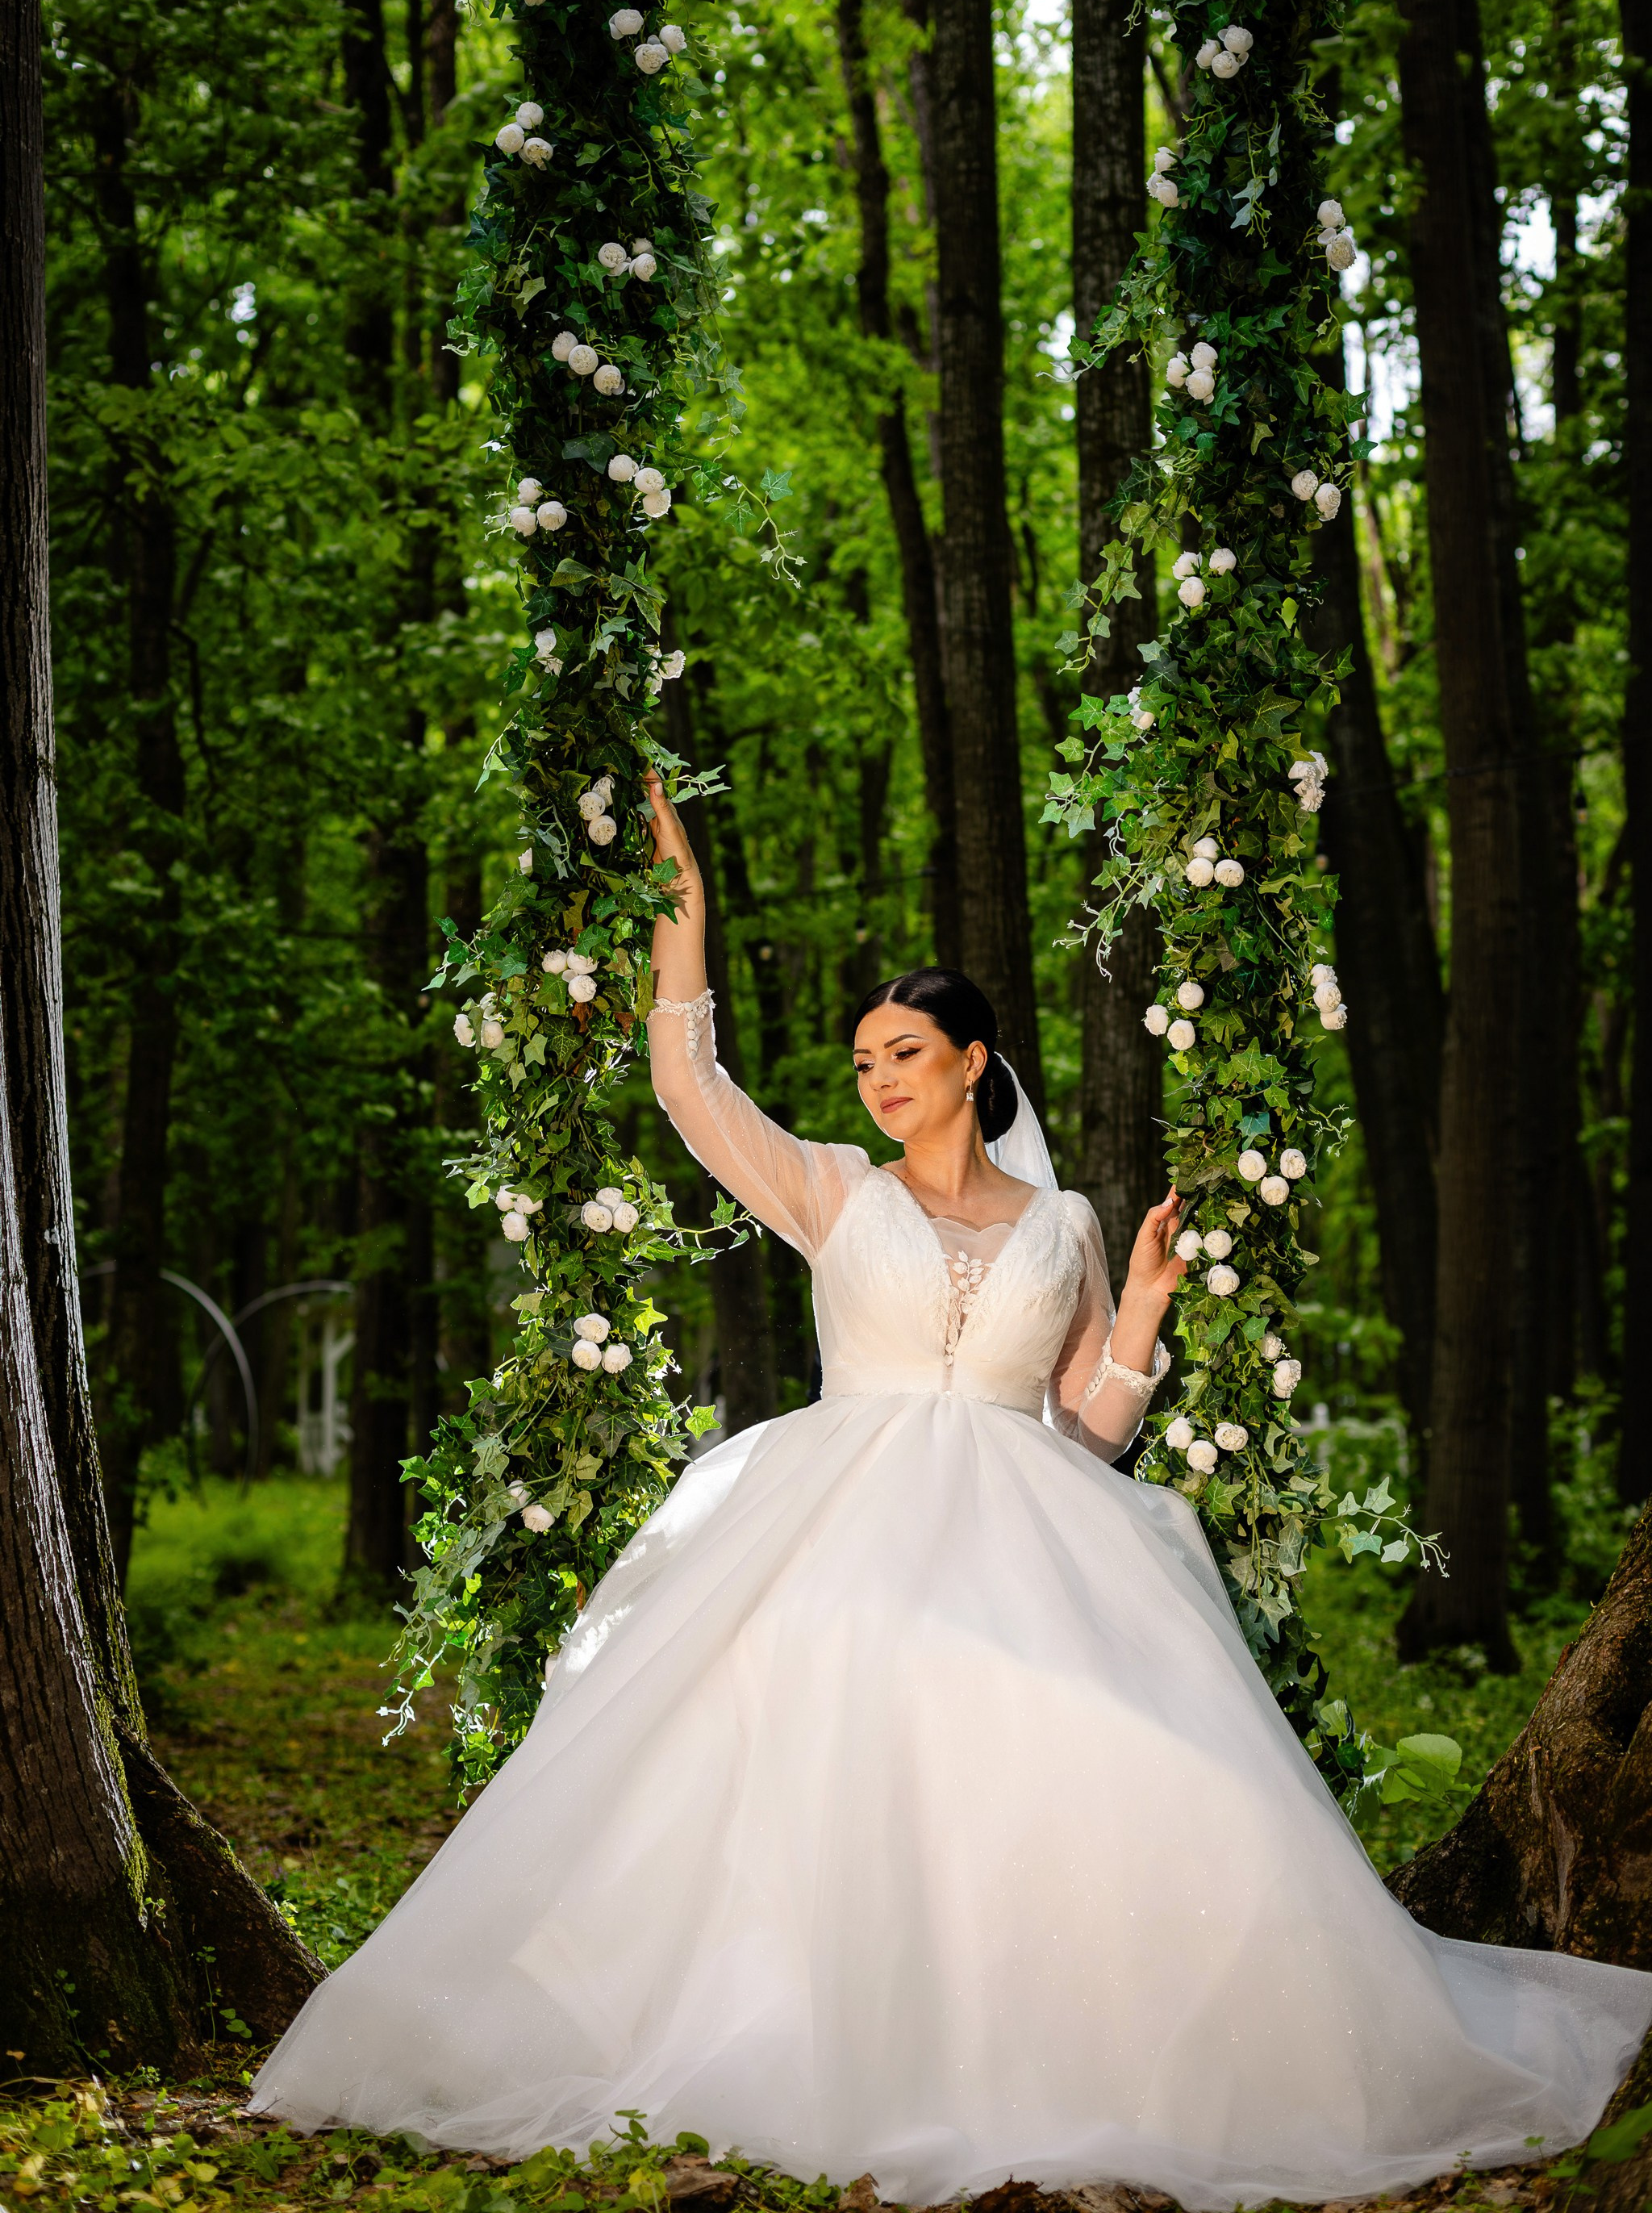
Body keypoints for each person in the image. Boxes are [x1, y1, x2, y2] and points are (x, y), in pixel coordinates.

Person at [251, 775, 1652, 2208]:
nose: (879, 1079)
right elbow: (687, 1086)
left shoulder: (1066, 1223)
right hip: (836, 1514)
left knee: (1085, 1760)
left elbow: (1087, 1431)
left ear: (977, 1061)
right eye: (865, 1060)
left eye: (906, 1052)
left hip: (1024, 1530)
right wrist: (687, 912)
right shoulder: (832, 1190)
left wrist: (1148, 1315)